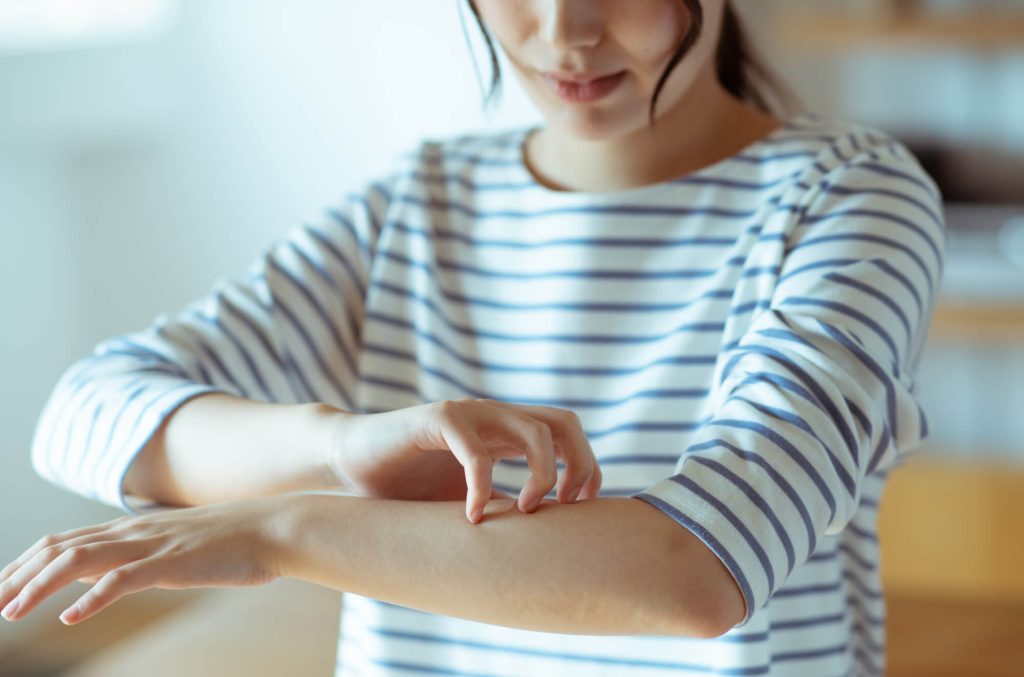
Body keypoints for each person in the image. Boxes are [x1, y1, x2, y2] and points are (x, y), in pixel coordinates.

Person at [0, 0, 946, 675]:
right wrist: (337, 445)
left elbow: (699, 570)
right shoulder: (420, 202)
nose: (565, 29)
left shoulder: (852, 197)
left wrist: (284, 526)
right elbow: (86, 412)